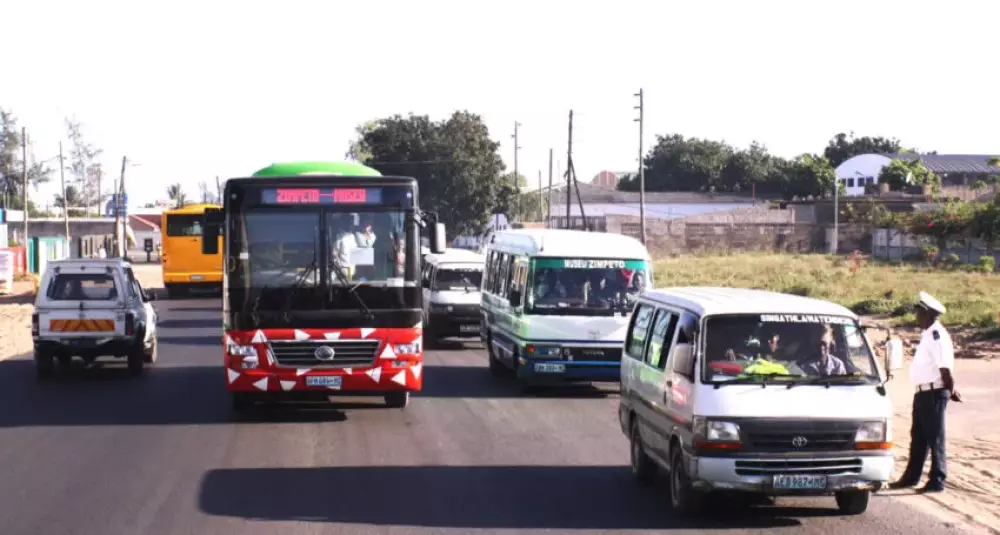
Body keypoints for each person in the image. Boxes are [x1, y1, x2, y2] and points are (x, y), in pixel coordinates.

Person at [889, 291, 961, 493]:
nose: (916, 316)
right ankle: (911, 478)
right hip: (923, 393)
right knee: (918, 437)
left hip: (934, 393)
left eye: (919, 312)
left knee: (935, 438)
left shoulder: (937, 335)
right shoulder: (928, 334)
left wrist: (950, 389)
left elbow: (944, 368)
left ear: (927, 313)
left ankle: (937, 480)